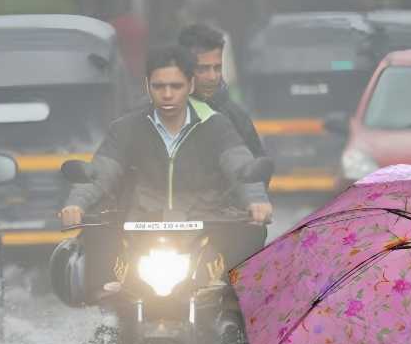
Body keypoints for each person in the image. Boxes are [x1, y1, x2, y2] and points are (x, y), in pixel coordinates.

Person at [59, 46, 273, 300]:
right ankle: (109, 329)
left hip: (205, 228)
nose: (168, 94)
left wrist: (256, 201)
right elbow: (101, 171)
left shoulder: (217, 126)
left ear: (191, 86)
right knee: (104, 280)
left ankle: (233, 328)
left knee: (244, 258)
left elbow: (241, 167)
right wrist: (76, 204)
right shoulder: (126, 128)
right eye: (159, 86)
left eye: (176, 86)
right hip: (140, 231)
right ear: (147, 86)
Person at [178, 23, 265, 158]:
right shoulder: (158, 114)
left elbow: (257, 169)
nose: (212, 76)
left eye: (217, 68)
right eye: (203, 69)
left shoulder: (237, 117)